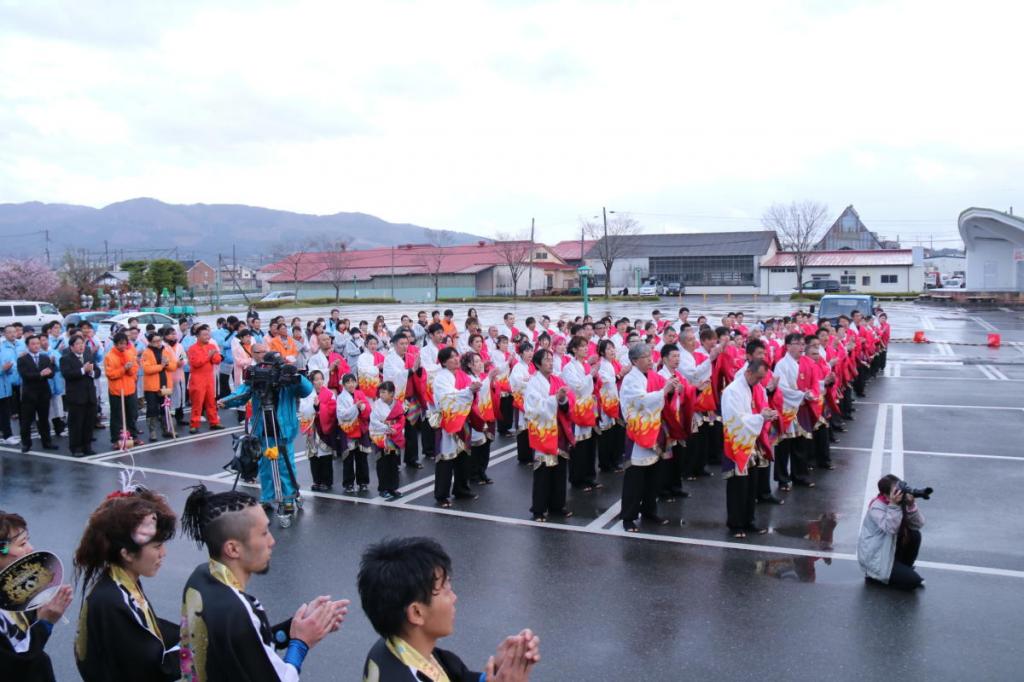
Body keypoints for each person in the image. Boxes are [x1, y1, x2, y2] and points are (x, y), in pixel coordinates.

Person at [179, 485, 349, 681]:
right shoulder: (237, 609)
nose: (272, 541)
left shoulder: (200, 577)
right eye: (264, 533)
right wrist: (301, 643)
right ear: (233, 549)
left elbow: (245, 645)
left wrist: (293, 627)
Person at [358, 537, 541, 682]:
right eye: (445, 590)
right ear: (416, 613)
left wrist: (496, 671)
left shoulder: (391, 648)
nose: (454, 598)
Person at [73, 486, 180, 681]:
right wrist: (194, 645)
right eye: (157, 546)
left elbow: (147, 632)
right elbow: (150, 668)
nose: (163, 553)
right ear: (127, 553)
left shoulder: (120, 581)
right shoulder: (113, 602)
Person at [219, 351, 314, 522]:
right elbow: (242, 393)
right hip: (262, 427)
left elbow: (307, 390)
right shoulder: (259, 377)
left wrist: (294, 374)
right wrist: (226, 401)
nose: (268, 371)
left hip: (283, 429)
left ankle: (288, 498)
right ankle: (267, 497)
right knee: (264, 464)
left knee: (285, 464)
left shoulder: (287, 377)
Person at [0, 510, 74, 682]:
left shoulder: (9, 591)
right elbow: (14, 663)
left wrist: (37, 603)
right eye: (22, 543)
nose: (30, 548)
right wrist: (45, 622)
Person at [619, 343, 675, 532]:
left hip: (654, 430)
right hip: (639, 433)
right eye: (645, 357)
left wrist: (673, 388)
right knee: (635, 478)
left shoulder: (652, 376)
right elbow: (640, 401)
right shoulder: (630, 380)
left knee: (653, 476)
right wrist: (663, 392)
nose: (650, 360)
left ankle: (650, 511)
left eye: (650, 356)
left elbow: (664, 389)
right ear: (635, 361)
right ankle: (628, 517)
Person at [721, 359, 776, 538]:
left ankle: (749, 520)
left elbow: (758, 409)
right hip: (737, 441)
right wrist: (760, 417)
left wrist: (766, 415)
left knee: (751, 484)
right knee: (738, 485)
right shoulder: (732, 391)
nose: (760, 381)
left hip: (752, 441)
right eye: (758, 377)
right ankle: (736, 524)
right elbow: (735, 419)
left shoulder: (755, 388)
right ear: (749, 373)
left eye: (762, 378)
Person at [525, 348, 574, 522]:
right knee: (543, 472)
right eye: (546, 359)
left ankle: (557, 505)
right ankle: (538, 509)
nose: (550, 362)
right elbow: (533, 407)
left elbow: (567, 403)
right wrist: (555, 398)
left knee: (560, 470)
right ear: (538, 364)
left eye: (551, 359)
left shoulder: (557, 379)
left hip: (559, 431)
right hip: (544, 432)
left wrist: (562, 399)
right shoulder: (533, 383)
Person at [858, 474, 926, 590]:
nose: (900, 493)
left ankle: (904, 568)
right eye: (896, 491)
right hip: (877, 557)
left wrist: (911, 505)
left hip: (890, 549)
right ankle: (874, 576)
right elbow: (891, 529)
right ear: (885, 494)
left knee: (915, 534)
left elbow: (918, 525)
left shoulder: (900, 501)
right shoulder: (877, 507)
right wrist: (894, 506)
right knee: (913, 582)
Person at [432, 346, 479, 507]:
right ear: (444, 362)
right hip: (448, 421)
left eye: (456, 356)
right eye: (451, 357)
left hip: (463, 419)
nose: (456, 359)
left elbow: (471, 391)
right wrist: (468, 391)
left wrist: (474, 389)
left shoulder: (463, 376)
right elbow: (447, 397)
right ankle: (441, 494)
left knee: (463, 456)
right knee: (446, 457)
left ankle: (462, 489)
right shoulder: (441, 378)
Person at [563, 336, 601, 492]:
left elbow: (592, 385)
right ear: (574, 349)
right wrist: (590, 376)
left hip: (588, 408)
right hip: (577, 409)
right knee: (578, 446)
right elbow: (576, 387)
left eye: (586, 346)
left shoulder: (585, 364)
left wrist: (593, 377)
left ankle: (589, 476)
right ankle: (577, 479)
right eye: (582, 346)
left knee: (590, 445)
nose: (586, 349)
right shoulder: (569, 368)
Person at [16, 335, 58, 452]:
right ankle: (26, 444)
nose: (36, 346)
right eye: (33, 344)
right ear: (28, 346)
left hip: (43, 393)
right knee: (27, 421)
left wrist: (49, 371)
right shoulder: (22, 359)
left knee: (44, 419)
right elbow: (25, 375)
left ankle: (47, 442)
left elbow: (52, 372)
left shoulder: (45, 357)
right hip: (29, 394)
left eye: (37, 343)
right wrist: (41, 374)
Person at [60, 334, 101, 456]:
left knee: (88, 424)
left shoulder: (88, 356)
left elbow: (97, 372)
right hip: (76, 397)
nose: (80, 346)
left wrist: (92, 372)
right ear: (71, 347)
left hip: (90, 395)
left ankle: (87, 446)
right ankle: (76, 447)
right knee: (76, 424)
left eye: (82, 343)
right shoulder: (66, 359)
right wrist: (83, 370)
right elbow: (67, 374)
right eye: (77, 344)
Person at [299, 370, 337, 492]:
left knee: (325, 455)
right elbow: (303, 410)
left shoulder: (329, 394)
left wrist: (319, 407)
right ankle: (317, 480)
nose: (319, 381)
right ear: (311, 381)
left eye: (321, 378)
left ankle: (327, 481)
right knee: (314, 456)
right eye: (316, 379)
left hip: (324, 428)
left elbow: (332, 410)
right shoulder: (307, 394)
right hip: (312, 427)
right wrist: (314, 407)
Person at [105, 331, 143, 446]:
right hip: (116, 391)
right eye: (120, 344)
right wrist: (123, 369)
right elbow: (110, 374)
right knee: (116, 416)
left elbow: (135, 368)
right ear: (115, 344)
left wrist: (130, 369)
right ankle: (116, 439)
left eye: (125, 344)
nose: (123, 346)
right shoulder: (109, 356)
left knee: (131, 414)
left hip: (130, 389)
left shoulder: (130, 353)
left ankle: (133, 436)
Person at [336, 373, 373, 493]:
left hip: (361, 430)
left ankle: (363, 482)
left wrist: (362, 408)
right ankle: (348, 483)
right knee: (348, 458)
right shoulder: (340, 398)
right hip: (348, 431)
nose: (351, 384)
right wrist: (355, 408)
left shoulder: (360, 394)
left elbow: (368, 409)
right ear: (344, 384)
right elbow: (341, 414)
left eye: (353, 381)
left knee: (362, 458)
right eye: (348, 382)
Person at [369, 380, 405, 500]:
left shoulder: (397, 404)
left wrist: (395, 428)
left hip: (394, 436)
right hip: (381, 436)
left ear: (391, 393)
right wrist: (386, 427)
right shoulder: (377, 404)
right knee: (382, 463)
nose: (381, 395)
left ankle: (393, 487)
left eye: (384, 392)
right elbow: (373, 420)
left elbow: (401, 419)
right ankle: (383, 488)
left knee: (393, 463)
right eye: (380, 392)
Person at [187, 324, 224, 434]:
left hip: (209, 378)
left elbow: (217, 360)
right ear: (197, 336)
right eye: (204, 335)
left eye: (208, 334)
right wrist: (209, 357)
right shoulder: (192, 348)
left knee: (211, 401)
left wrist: (212, 356)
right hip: (197, 378)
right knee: (197, 402)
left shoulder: (211, 346)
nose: (207, 337)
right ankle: (194, 424)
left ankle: (214, 422)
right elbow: (196, 363)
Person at [141, 332, 178, 441]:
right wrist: (161, 366)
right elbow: (147, 369)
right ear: (150, 342)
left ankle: (167, 429)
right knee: (152, 409)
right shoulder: (146, 353)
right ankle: (152, 431)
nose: (158, 343)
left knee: (165, 408)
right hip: (151, 386)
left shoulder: (166, 350)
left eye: (159, 340)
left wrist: (166, 364)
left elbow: (173, 366)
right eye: (155, 341)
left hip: (165, 384)